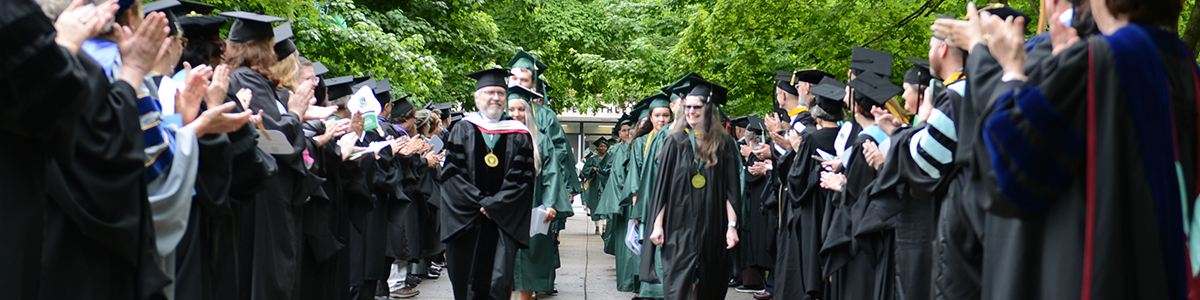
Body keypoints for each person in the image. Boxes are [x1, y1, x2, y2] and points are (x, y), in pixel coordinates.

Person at [934, 0, 1198, 298]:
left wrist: (1011, 71)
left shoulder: (1098, 61)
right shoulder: (1182, 62)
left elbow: (1013, 172)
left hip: (1095, 274)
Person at [221, 10, 316, 300]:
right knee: (268, 273)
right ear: (260, 48)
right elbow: (273, 138)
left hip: (262, 192)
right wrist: (297, 113)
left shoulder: (241, 78)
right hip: (265, 196)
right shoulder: (249, 79)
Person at [441, 68, 536, 300]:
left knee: (497, 284)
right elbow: (452, 175)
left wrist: (495, 205)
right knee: (464, 284)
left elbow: (522, 179)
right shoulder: (462, 128)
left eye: (500, 93)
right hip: (467, 222)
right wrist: (481, 202)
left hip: (501, 222)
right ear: (476, 98)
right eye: (489, 92)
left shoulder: (519, 133)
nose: (495, 97)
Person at [644, 77, 742, 300]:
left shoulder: (724, 144)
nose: (690, 112)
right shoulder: (674, 142)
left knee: (710, 283)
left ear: (709, 110)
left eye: (697, 108)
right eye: (687, 107)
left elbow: (732, 192)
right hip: (678, 228)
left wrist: (732, 227)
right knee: (678, 286)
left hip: (713, 227)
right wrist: (657, 225)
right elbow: (662, 190)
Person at [772, 77, 846, 300]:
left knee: (810, 257)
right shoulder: (848, 136)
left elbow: (795, 179)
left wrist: (794, 150)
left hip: (813, 208)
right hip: (835, 205)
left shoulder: (811, 137)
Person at [510, 85, 574, 300]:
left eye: (521, 109)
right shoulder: (497, 139)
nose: (516, 114)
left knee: (529, 258)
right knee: (504, 263)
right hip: (504, 209)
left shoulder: (540, 140)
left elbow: (552, 174)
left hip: (533, 206)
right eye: (512, 110)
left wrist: (549, 203)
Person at [737, 117, 778, 295]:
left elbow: (751, 177)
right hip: (757, 201)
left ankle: (764, 284)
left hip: (763, 202)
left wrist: (750, 157)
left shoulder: (762, 151)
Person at [581, 137, 612, 232]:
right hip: (595, 183)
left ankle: (605, 225)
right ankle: (597, 226)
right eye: (601, 146)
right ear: (598, 147)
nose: (603, 148)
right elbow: (585, 170)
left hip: (606, 183)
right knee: (595, 204)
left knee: (606, 203)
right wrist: (592, 170)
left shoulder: (610, 158)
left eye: (605, 146)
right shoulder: (592, 159)